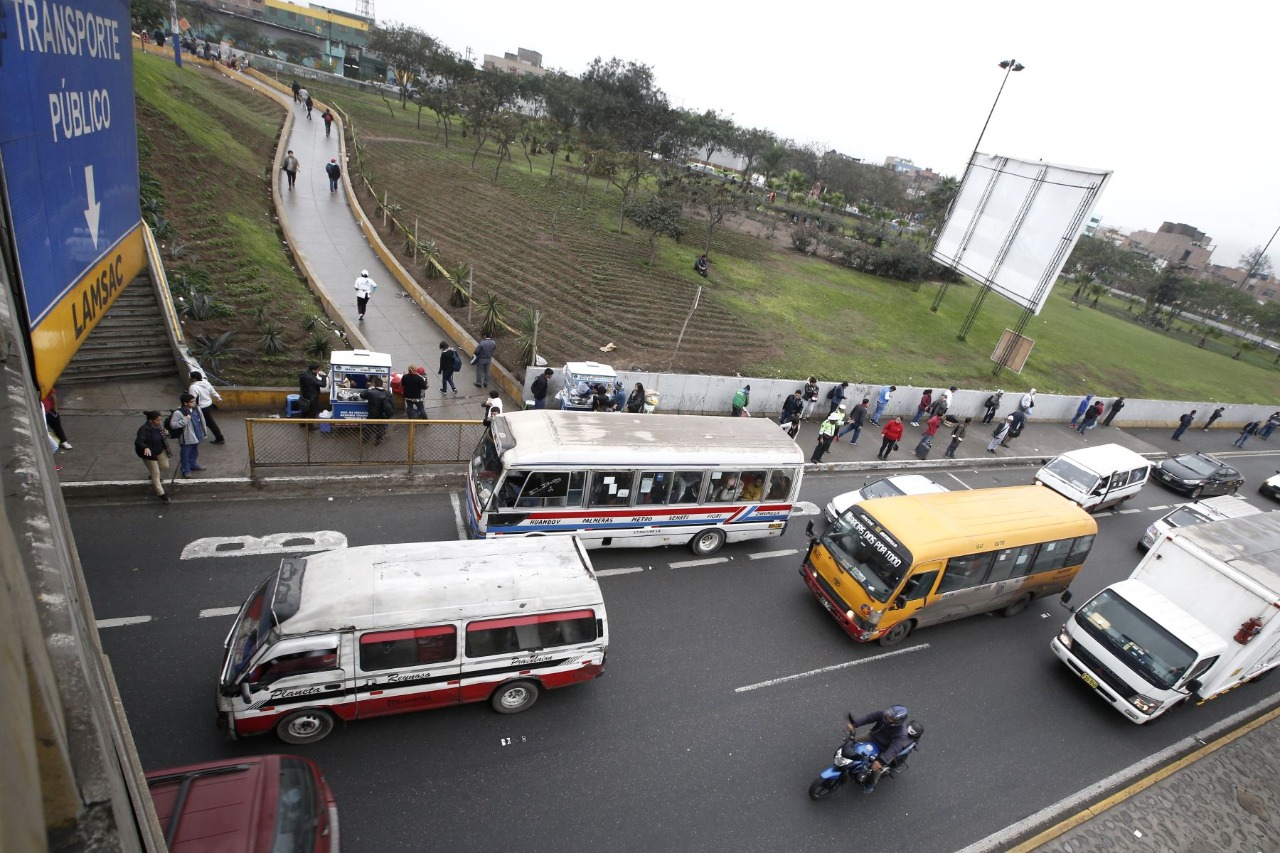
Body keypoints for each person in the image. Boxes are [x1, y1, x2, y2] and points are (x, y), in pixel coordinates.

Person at [845, 705, 911, 793]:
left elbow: (894, 749)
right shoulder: (882, 714)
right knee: (852, 742)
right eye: (889, 715)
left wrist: (881, 761)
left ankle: (870, 784)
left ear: (899, 721)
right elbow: (868, 718)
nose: (888, 719)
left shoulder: (902, 733)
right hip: (872, 737)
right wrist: (854, 724)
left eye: (892, 719)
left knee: (876, 770)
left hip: (884, 748)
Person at [135, 410, 171, 503]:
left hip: (159, 450)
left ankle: (153, 475)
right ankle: (161, 494)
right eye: (157, 420)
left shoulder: (158, 427)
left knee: (165, 466)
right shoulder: (144, 429)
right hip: (149, 454)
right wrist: (145, 447)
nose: (159, 422)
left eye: (160, 420)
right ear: (150, 420)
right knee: (156, 474)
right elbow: (139, 441)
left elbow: (164, 436)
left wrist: (166, 433)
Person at [169, 393, 206, 477]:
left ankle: (193, 464)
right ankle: (185, 469)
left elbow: (202, 420)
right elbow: (173, 425)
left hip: (196, 435)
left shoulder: (197, 409)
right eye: (192, 402)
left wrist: (203, 433)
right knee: (185, 454)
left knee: (194, 452)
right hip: (186, 437)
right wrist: (184, 421)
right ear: (185, 403)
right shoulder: (178, 413)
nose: (194, 403)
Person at [188, 370, 225, 444]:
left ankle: (219, 438)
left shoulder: (193, 387)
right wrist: (218, 398)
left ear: (194, 379)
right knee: (204, 421)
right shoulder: (206, 383)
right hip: (209, 405)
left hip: (201, 407)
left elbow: (192, 399)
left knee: (209, 423)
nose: (190, 379)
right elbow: (213, 391)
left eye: (191, 378)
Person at [360, 376, 393, 445]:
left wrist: (369, 388)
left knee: (368, 427)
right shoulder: (387, 393)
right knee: (380, 427)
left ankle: (365, 440)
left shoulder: (371, 392)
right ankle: (378, 441)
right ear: (382, 384)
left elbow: (362, 395)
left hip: (372, 413)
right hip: (383, 413)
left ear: (374, 384)